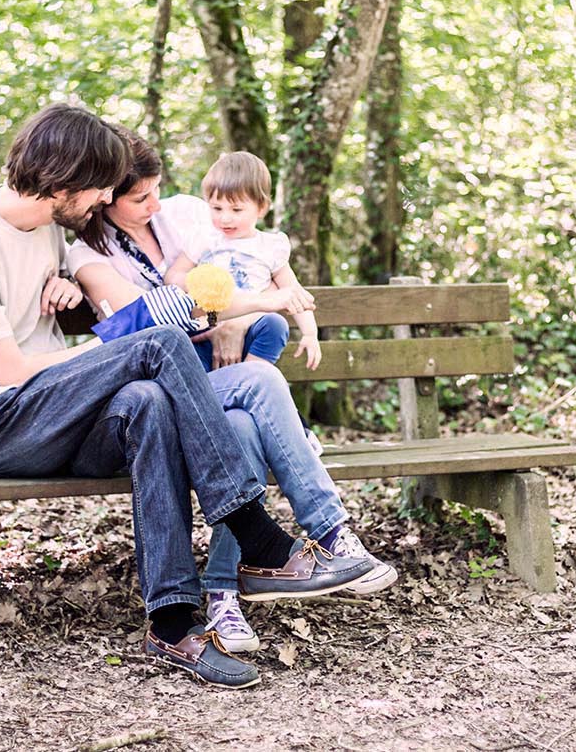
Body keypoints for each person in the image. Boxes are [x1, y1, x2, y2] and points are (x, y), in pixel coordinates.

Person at [0, 103, 373, 690]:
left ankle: (173, 625)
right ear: (62, 180)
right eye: (99, 188)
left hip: (58, 418)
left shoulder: (52, 230)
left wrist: (63, 283)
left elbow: (62, 304)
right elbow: (7, 371)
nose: (105, 200)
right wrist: (110, 354)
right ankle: (260, 539)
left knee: (149, 405)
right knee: (152, 347)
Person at [68, 133, 398, 656]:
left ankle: (224, 591)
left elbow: (244, 257)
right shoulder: (89, 255)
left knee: (244, 428)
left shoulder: (183, 212)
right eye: (140, 198)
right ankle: (330, 532)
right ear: (105, 196)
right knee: (262, 381)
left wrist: (240, 319)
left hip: (213, 385)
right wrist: (234, 316)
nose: (157, 205)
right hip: (157, 398)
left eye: (157, 191)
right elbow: (149, 329)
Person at [164, 151, 320, 374]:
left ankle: (251, 376)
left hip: (250, 330)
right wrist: (195, 283)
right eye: (216, 208)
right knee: (182, 338)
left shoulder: (270, 246)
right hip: (206, 327)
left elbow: (294, 292)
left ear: (261, 208)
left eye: (236, 209)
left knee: (275, 324)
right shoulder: (203, 239)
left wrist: (310, 334)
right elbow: (173, 275)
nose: (225, 218)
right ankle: (206, 387)